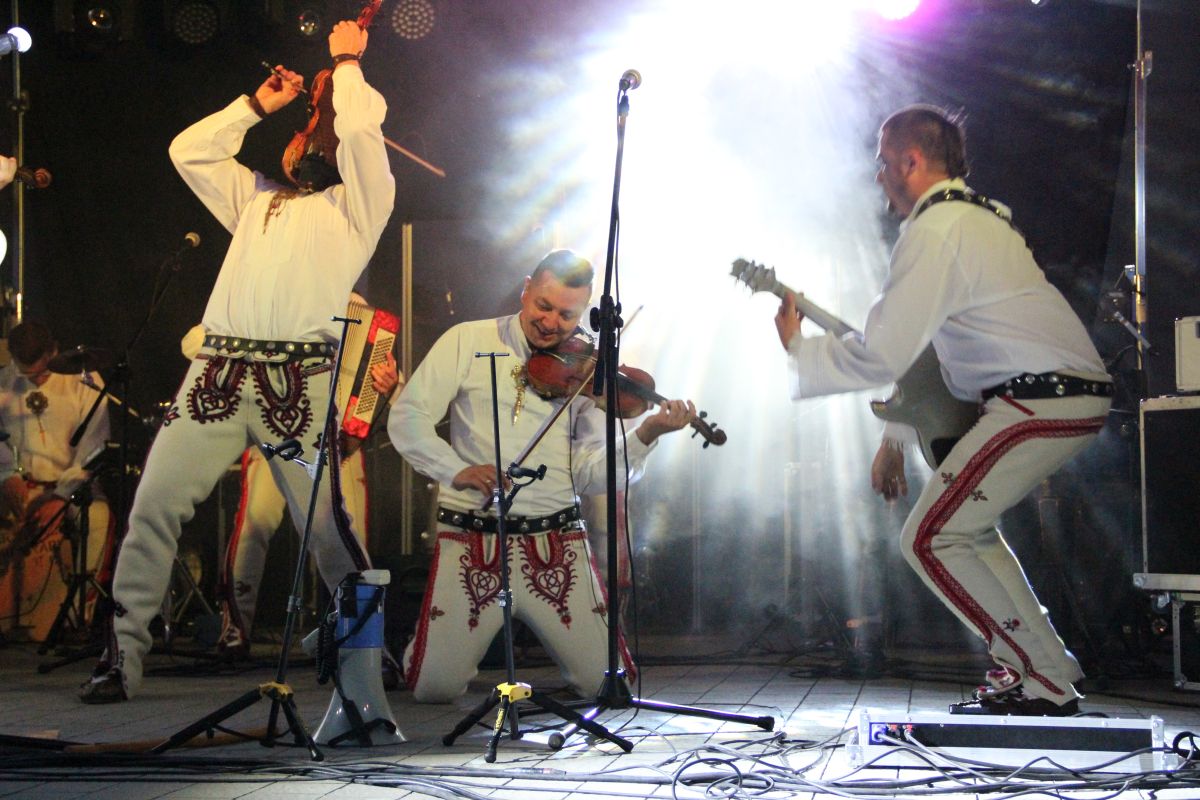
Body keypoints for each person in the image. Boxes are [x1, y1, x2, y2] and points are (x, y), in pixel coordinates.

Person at [80, 19, 395, 703]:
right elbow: (188, 151)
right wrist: (255, 106)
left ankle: (366, 665)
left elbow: (360, 131)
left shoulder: (360, 206)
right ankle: (121, 656)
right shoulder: (255, 199)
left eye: (321, 128)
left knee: (327, 529)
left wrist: (346, 63)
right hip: (218, 373)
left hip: (298, 381)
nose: (310, 134)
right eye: (305, 127)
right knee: (153, 506)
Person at [774, 105, 1112, 716]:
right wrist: (898, 434)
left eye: (883, 163)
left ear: (911, 161)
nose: (878, 176)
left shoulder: (934, 230)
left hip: (1038, 400)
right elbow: (922, 359)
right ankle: (1045, 666)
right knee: (965, 532)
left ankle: (1041, 678)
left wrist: (799, 349)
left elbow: (884, 353)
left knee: (929, 538)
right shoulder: (975, 219)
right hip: (1052, 396)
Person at [389, 249, 697, 702]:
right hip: (474, 536)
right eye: (543, 306)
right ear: (526, 289)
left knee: (608, 685)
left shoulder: (588, 372)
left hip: (555, 541)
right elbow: (408, 417)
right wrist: (456, 470)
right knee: (433, 689)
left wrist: (646, 433)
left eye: (567, 316)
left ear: (584, 312)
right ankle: (427, 642)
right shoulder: (466, 340)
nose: (551, 323)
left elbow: (592, 474)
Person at [0, 321, 113, 640]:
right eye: (26, 373)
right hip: (18, 486)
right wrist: (7, 475)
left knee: (98, 519)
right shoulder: (4, 382)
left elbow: (93, 449)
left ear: (54, 351)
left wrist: (61, 496)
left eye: (40, 371)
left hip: (71, 487)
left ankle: (76, 615)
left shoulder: (85, 382)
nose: (34, 380)